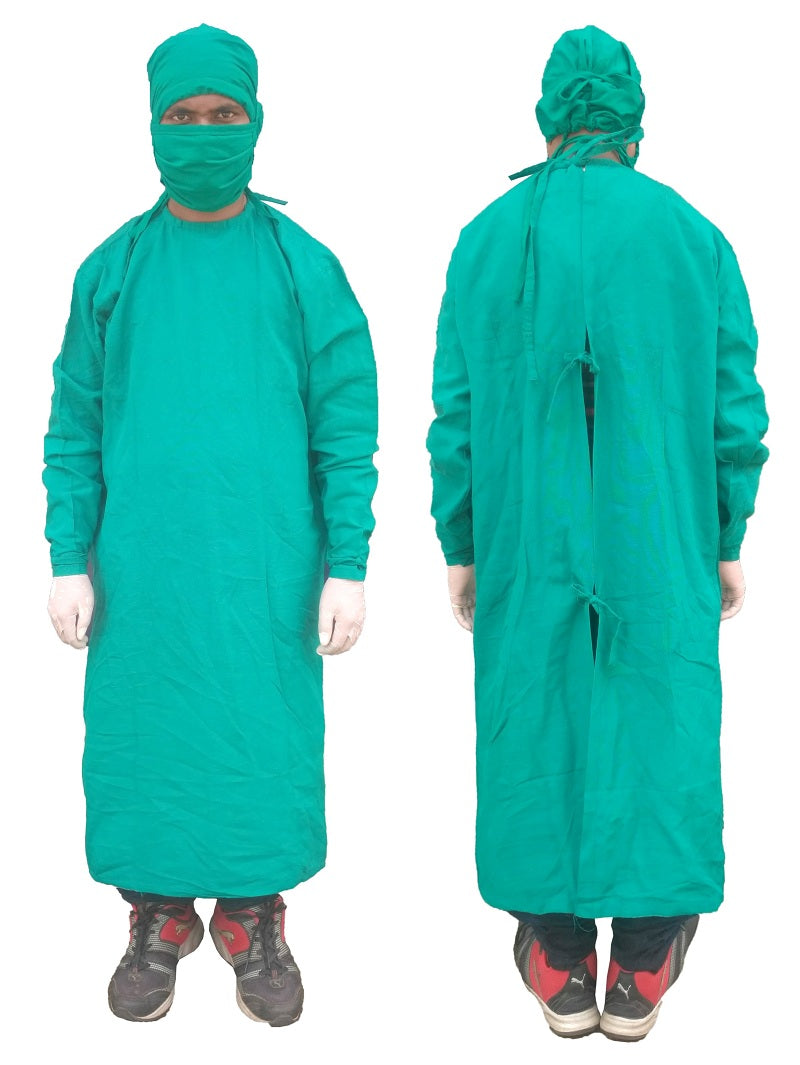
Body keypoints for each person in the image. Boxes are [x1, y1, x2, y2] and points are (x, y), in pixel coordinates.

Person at [426, 25, 768, 1043]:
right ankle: (647, 955)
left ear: (548, 115)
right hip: (656, 524)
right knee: (656, 710)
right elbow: (732, 410)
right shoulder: (691, 237)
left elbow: (455, 412)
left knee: (535, 711)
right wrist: (724, 534)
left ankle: (557, 951)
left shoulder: (486, 239)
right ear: (631, 119)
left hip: (525, 534)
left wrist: (461, 542)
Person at [43, 24, 378, 1026]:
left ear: (255, 121)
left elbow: (344, 424)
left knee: (256, 737)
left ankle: (250, 912)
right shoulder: (113, 270)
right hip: (139, 569)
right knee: (145, 737)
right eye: (183, 116)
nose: (202, 132)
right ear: (154, 126)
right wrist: (67, 556)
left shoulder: (302, 268)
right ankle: (157, 913)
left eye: (221, 114)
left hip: (265, 567)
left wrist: (348, 561)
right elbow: (75, 426)